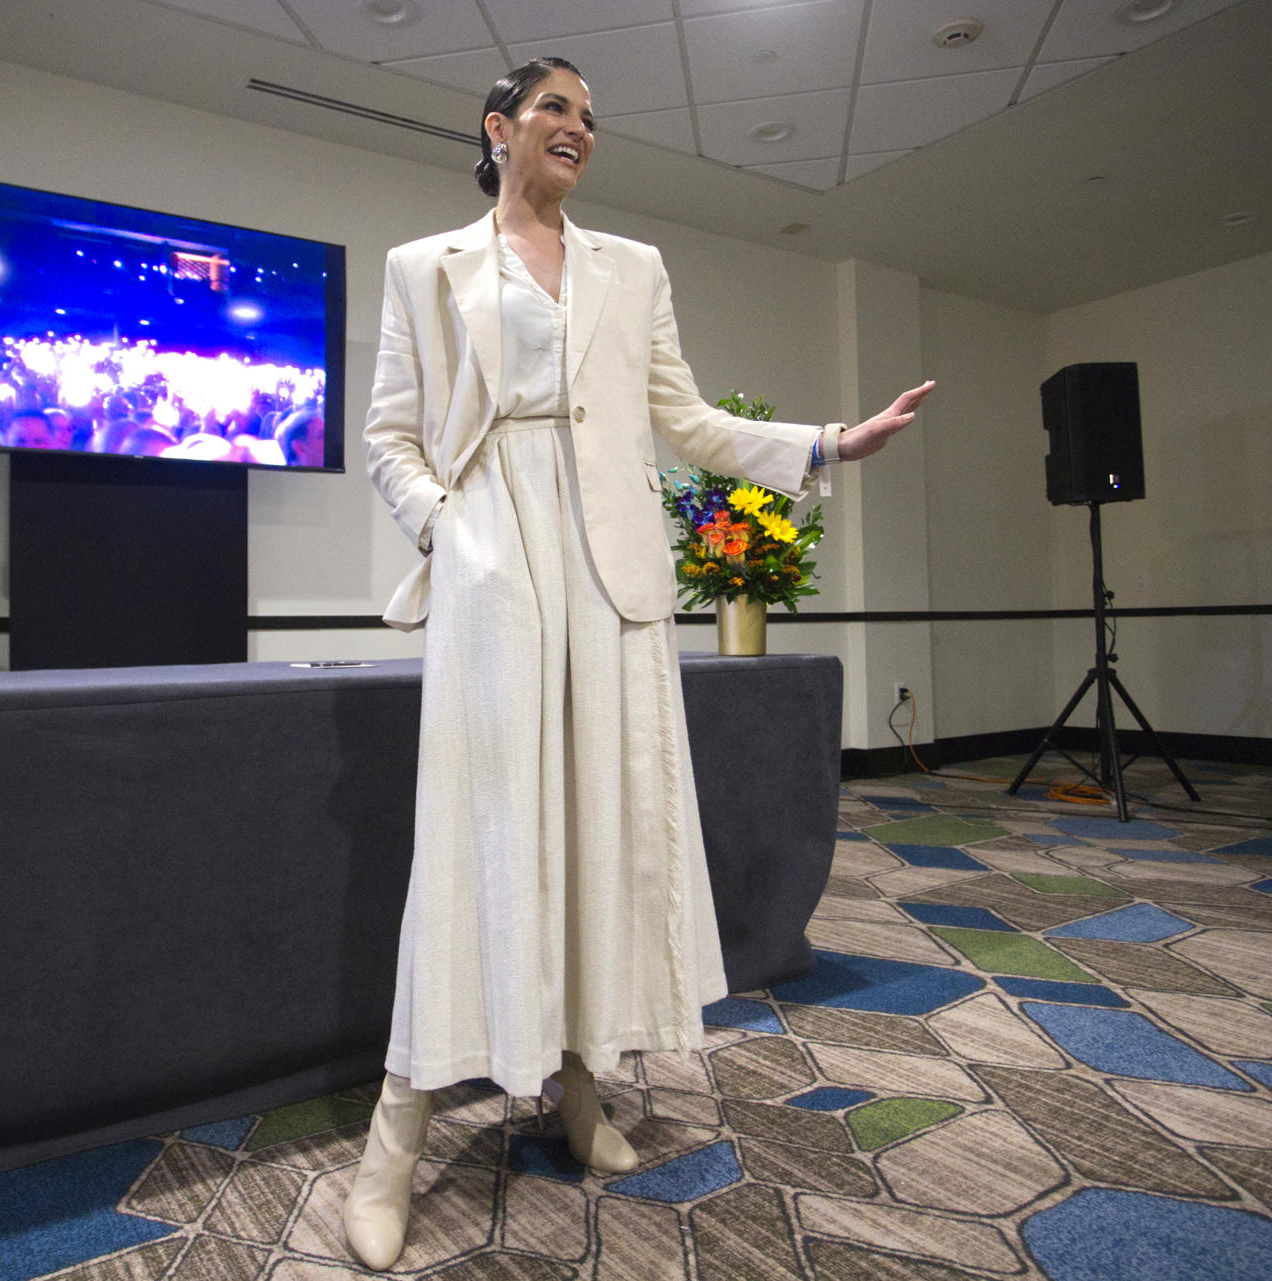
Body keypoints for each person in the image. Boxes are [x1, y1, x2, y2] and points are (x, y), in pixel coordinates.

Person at [349, 56, 933, 1271]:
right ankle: (394, 1138)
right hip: (494, 568)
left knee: (602, 836)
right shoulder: (426, 267)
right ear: (499, 126)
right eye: (555, 109)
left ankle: (576, 1087)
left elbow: (688, 419)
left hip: (613, 581)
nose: (579, 130)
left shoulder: (634, 269)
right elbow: (392, 437)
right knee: (480, 839)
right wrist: (451, 535)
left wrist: (829, 444)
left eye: (591, 119)